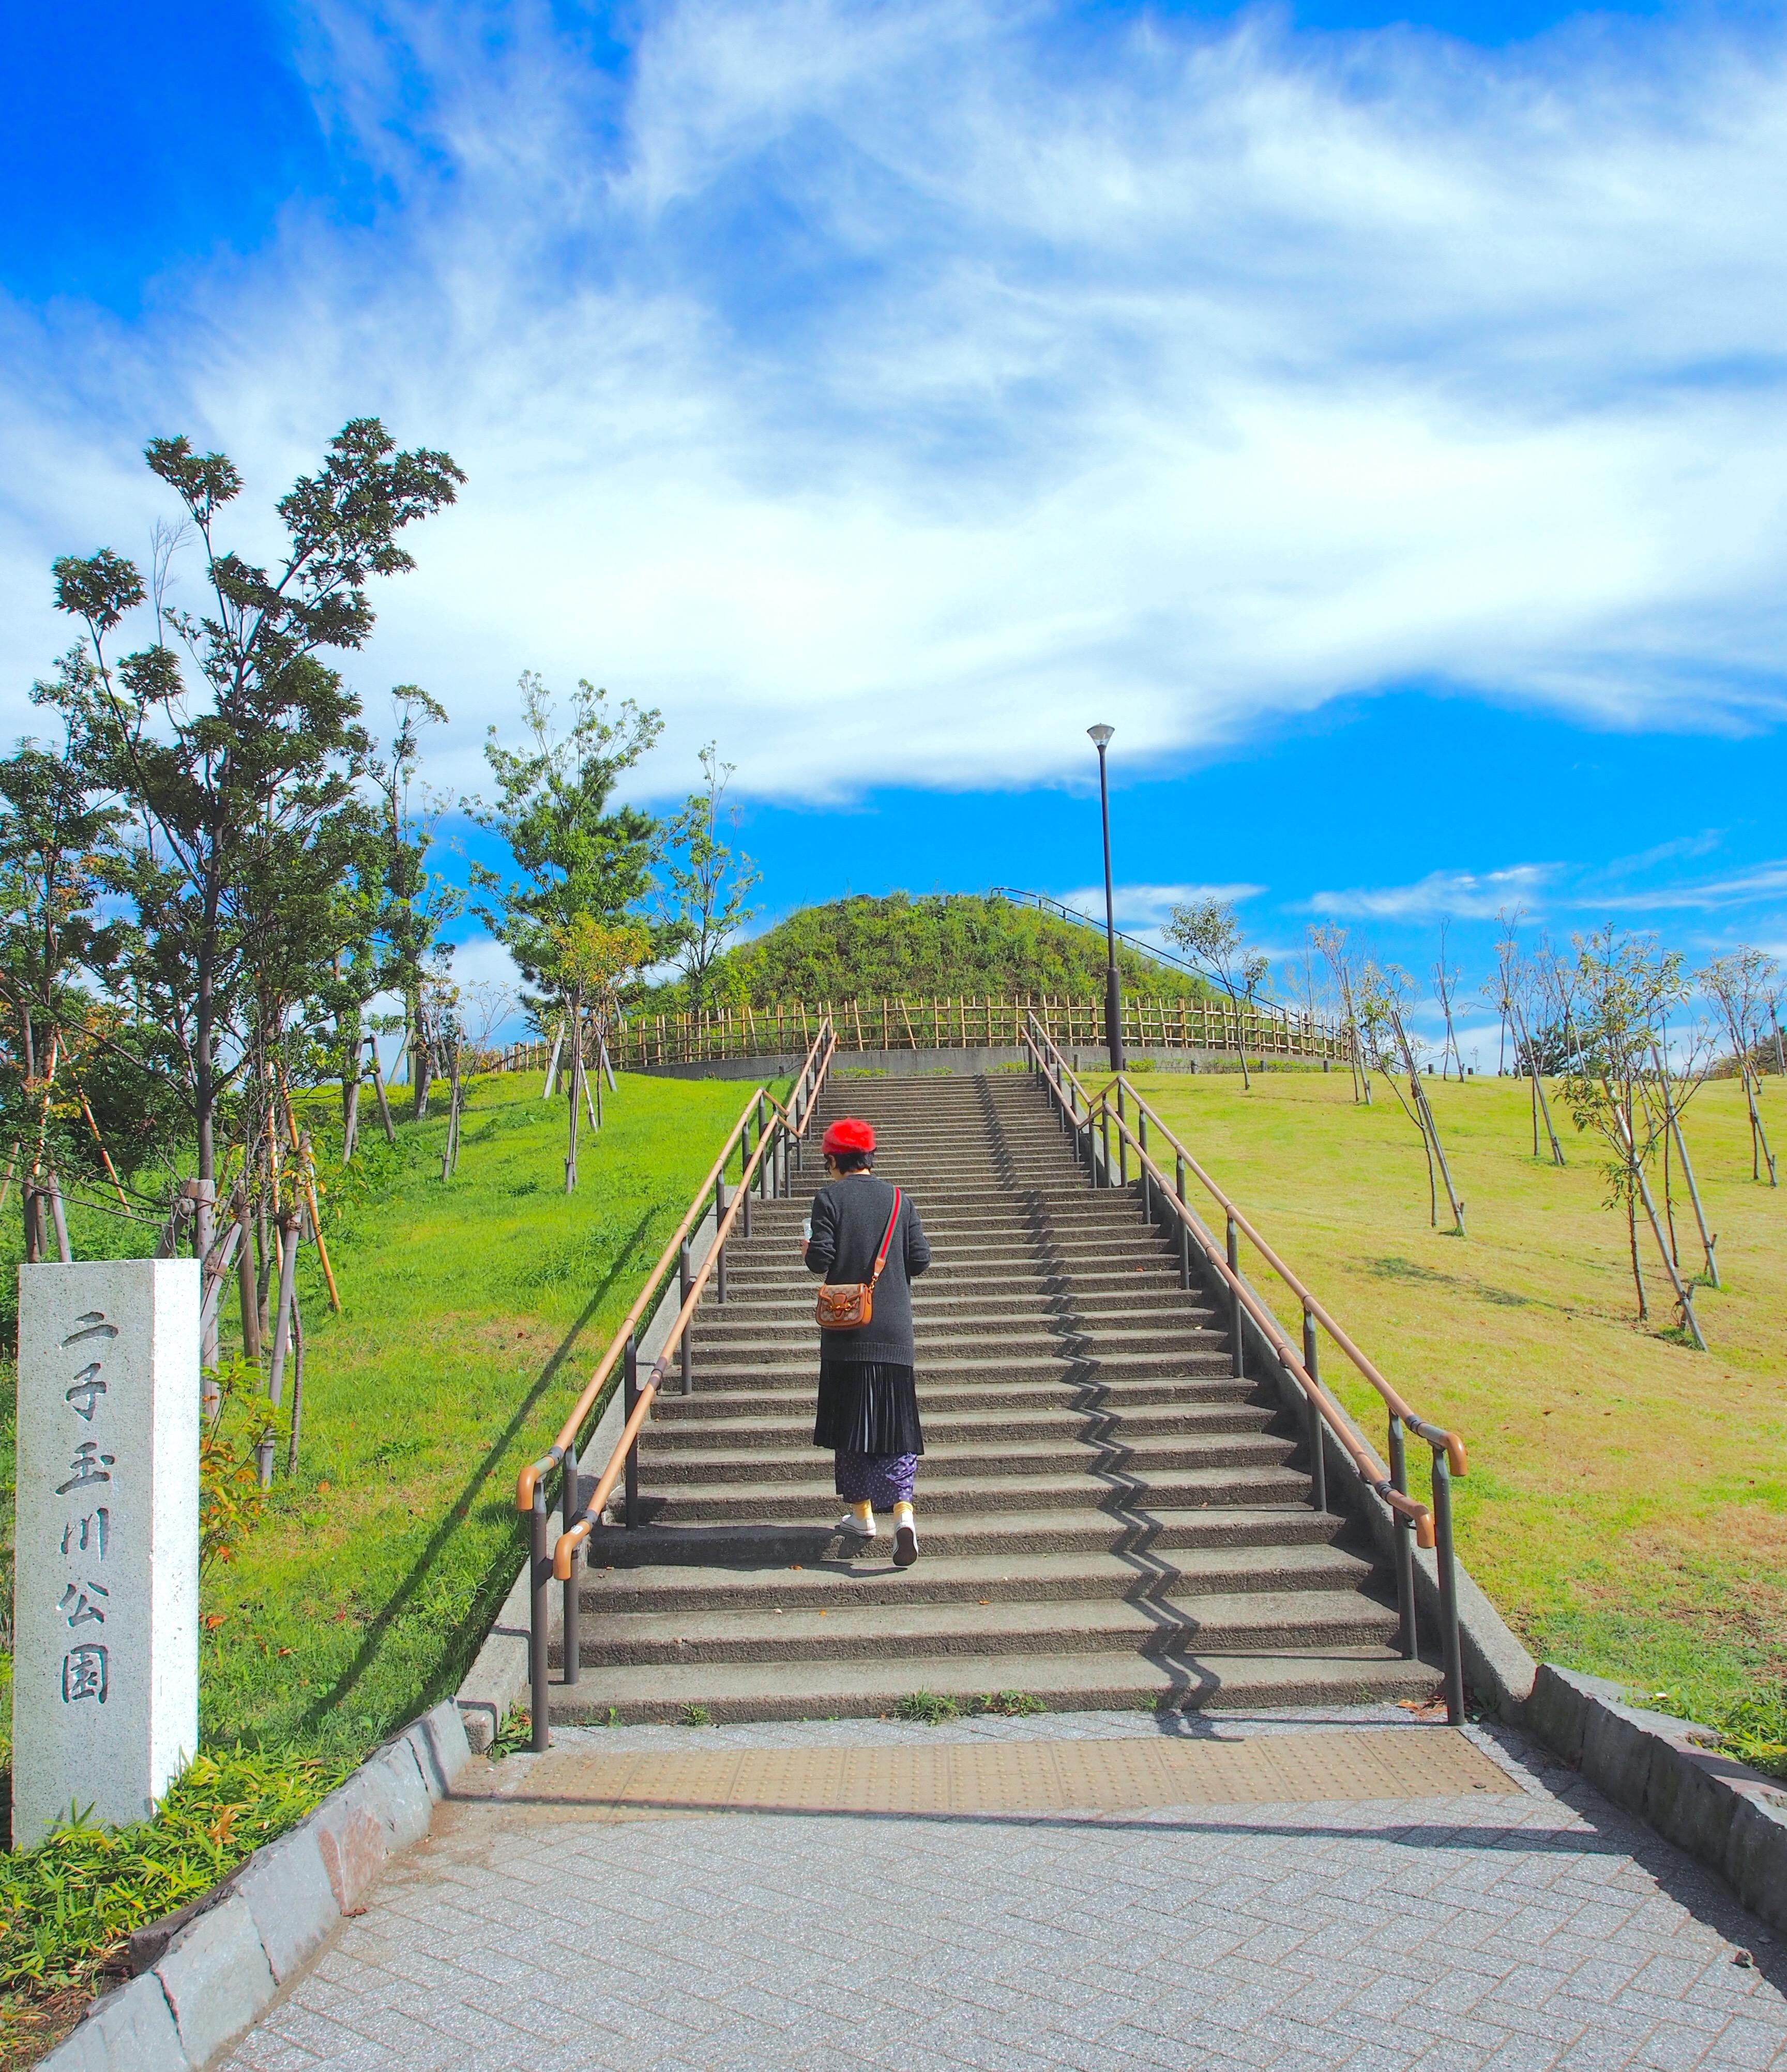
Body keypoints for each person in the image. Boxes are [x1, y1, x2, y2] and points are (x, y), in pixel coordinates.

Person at [802, 1116, 932, 1567]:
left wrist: (807, 1245)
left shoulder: (829, 1198)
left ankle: (861, 1515)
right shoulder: (901, 1199)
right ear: (870, 1157)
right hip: (894, 1333)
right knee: (896, 1425)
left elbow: (820, 1259)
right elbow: (921, 1259)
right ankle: (904, 1513)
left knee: (850, 1424)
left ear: (834, 1159)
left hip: (846, 1333)